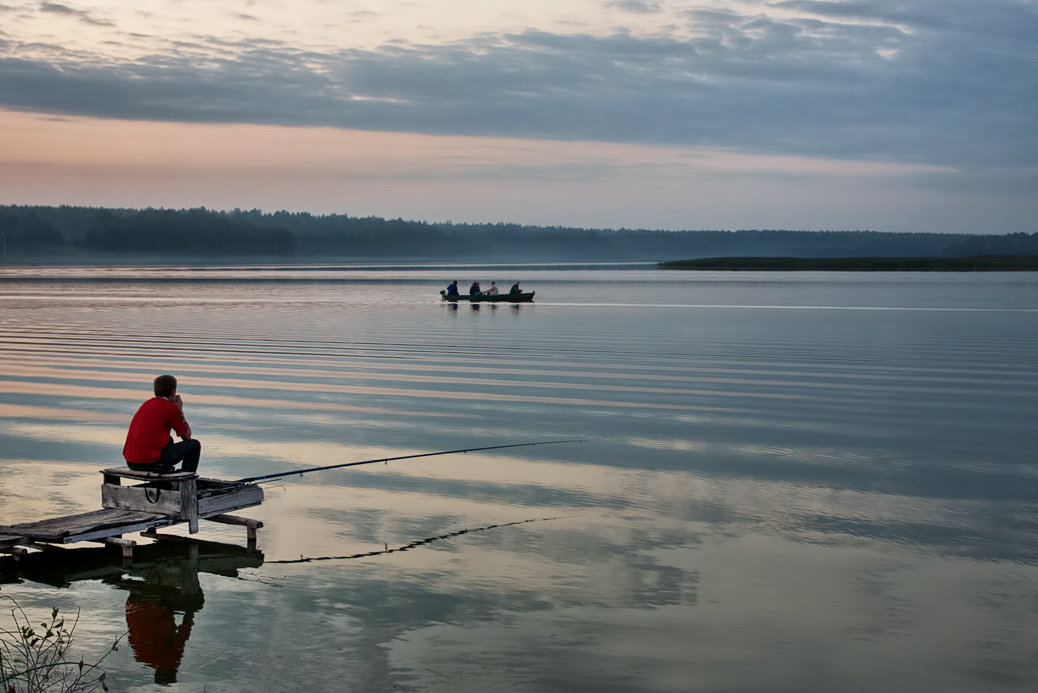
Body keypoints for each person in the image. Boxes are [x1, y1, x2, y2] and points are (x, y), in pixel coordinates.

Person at [123, 375, 201, 474]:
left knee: (168, 440)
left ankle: (166, 477)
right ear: (173, 391)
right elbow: (186, 437)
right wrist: (179, 410)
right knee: (194, 445)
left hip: (132, 462)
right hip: (149, 463)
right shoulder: (170, 408)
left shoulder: (147, 404)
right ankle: (185, 480)